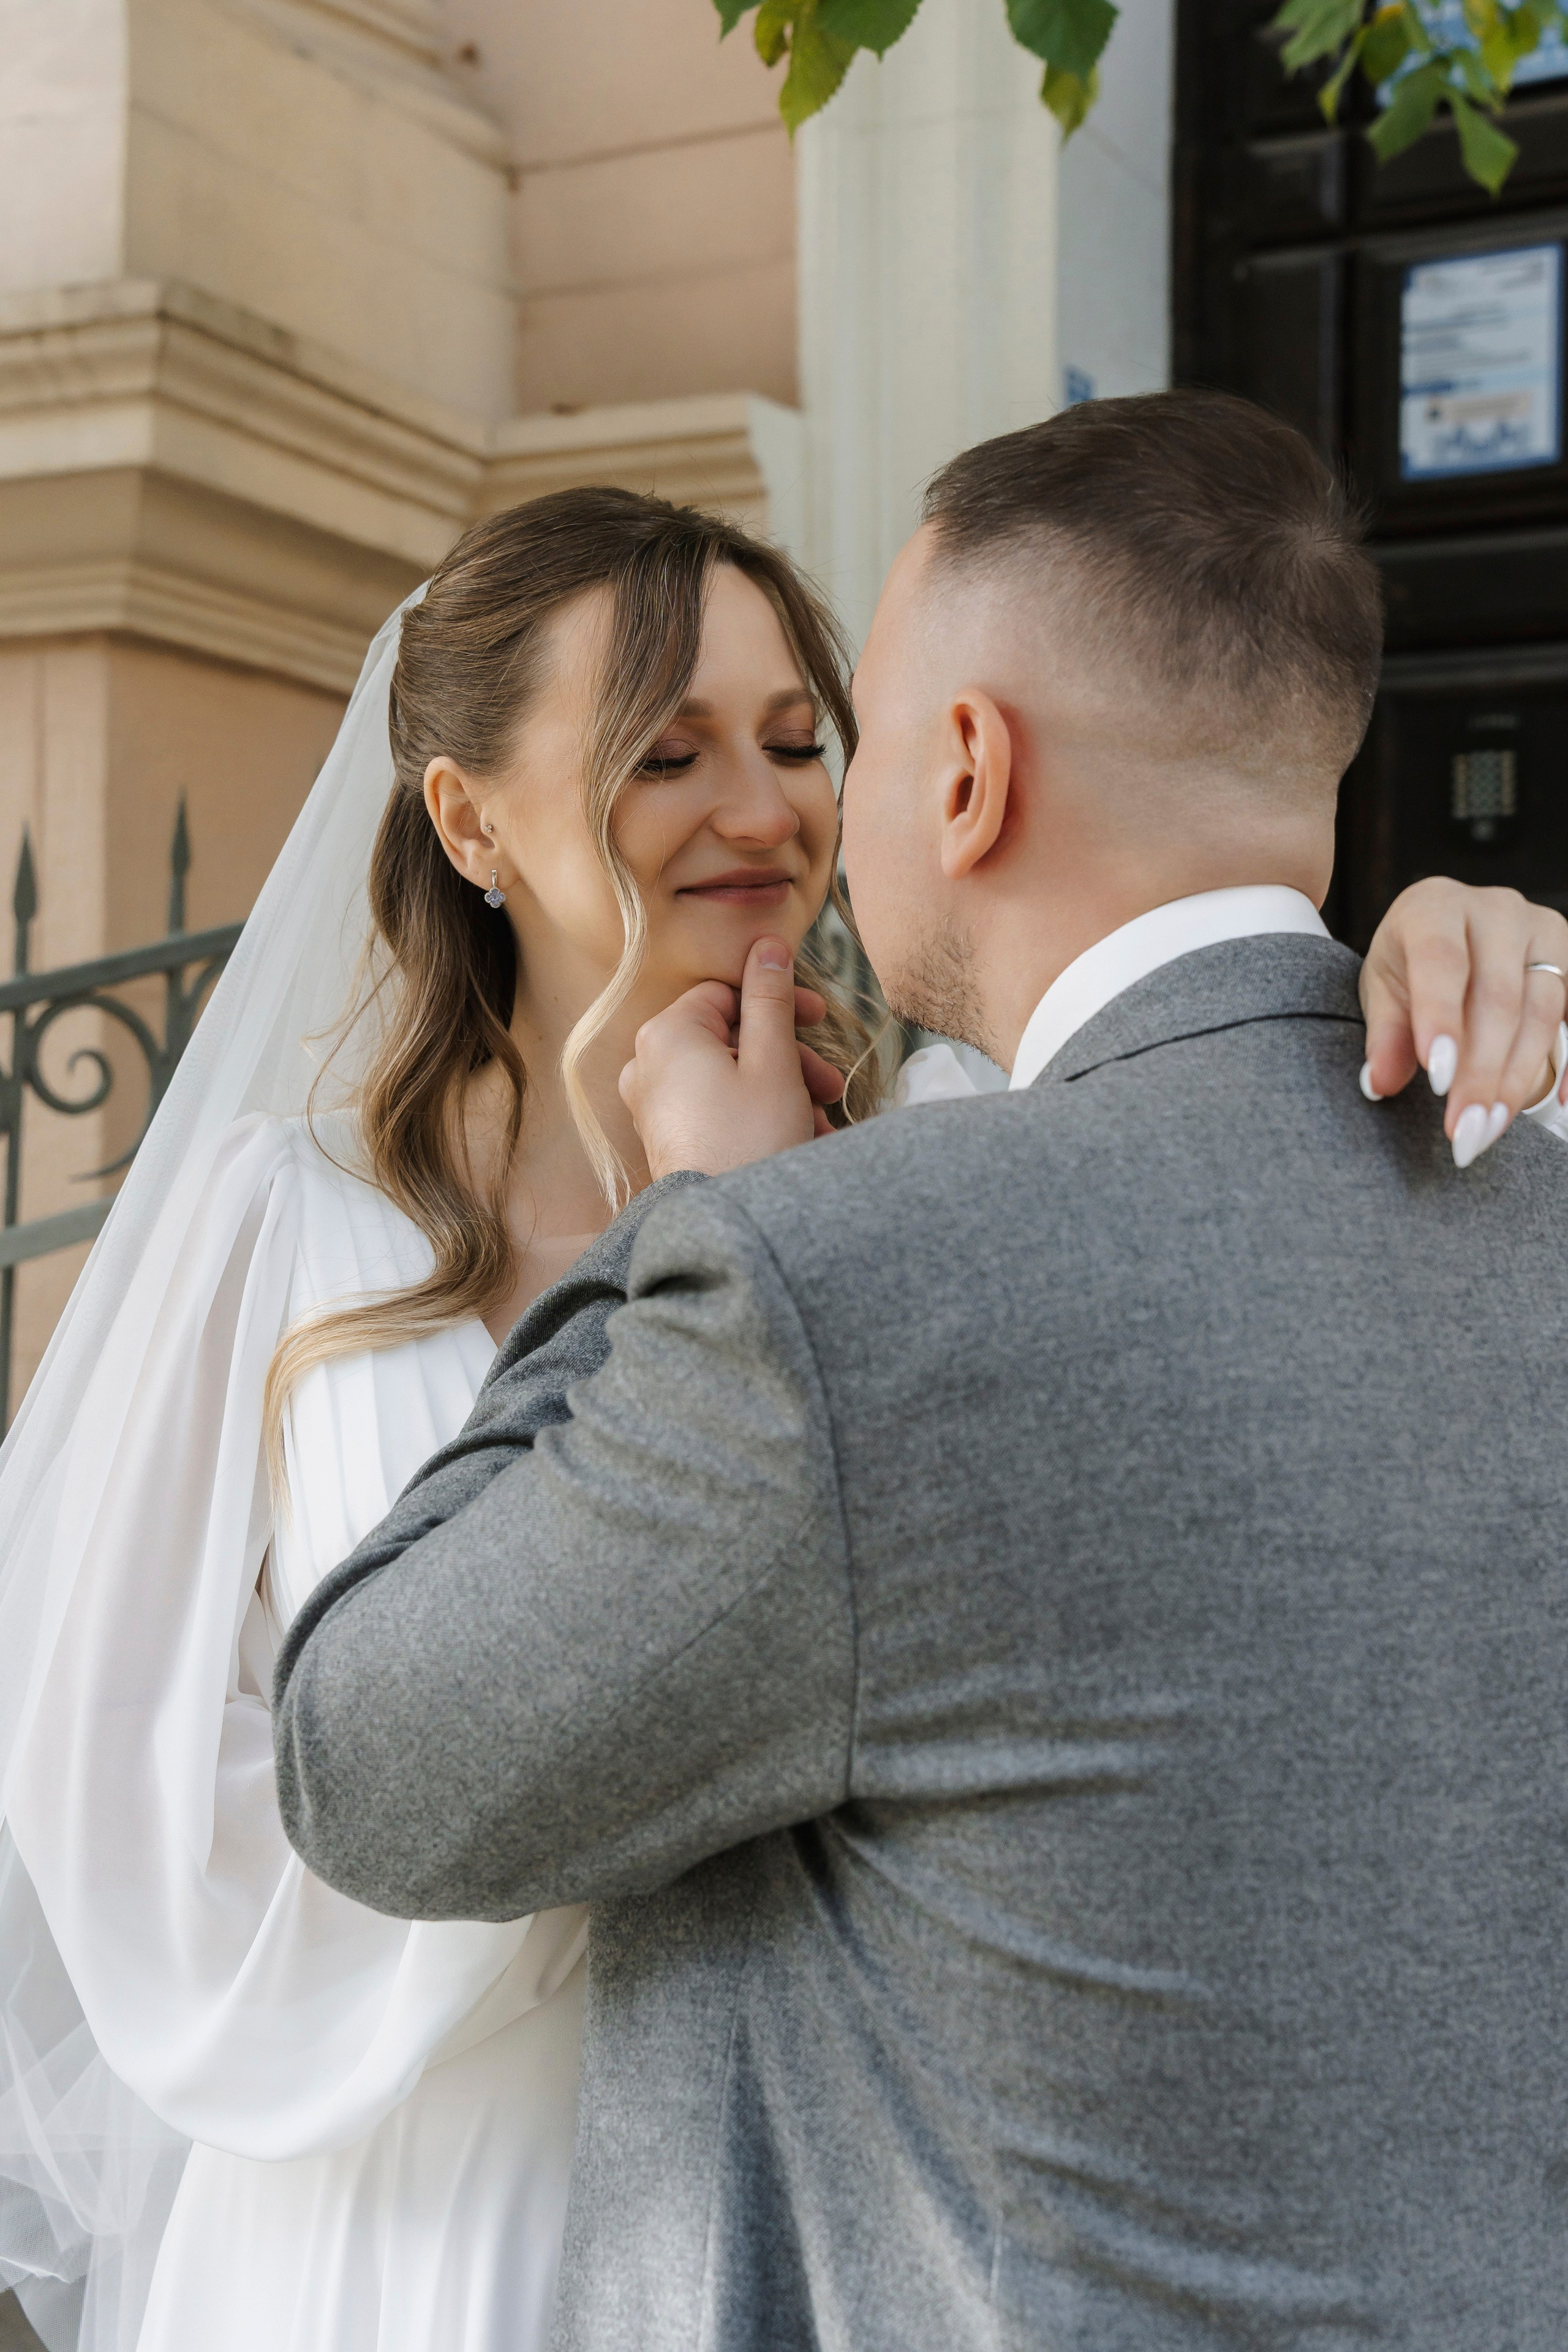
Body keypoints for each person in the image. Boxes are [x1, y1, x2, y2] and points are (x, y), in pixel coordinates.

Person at [274, 393, 1568, 2352]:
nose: (793, 814)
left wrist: (688, 1231)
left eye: (840, 735)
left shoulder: (826, 1280)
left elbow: (371, 1767)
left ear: (965, 770)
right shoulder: (1532, 1166)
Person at [0, 489, 875, 2352]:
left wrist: (1458, 933)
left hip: (801, 2205)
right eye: (666, 753)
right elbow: (116, 1785)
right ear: (469, 821)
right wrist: (565, 1862)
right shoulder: (282, 1225)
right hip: (386, 2221)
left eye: (797, 741)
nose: (762, 808)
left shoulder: (934, 1155)